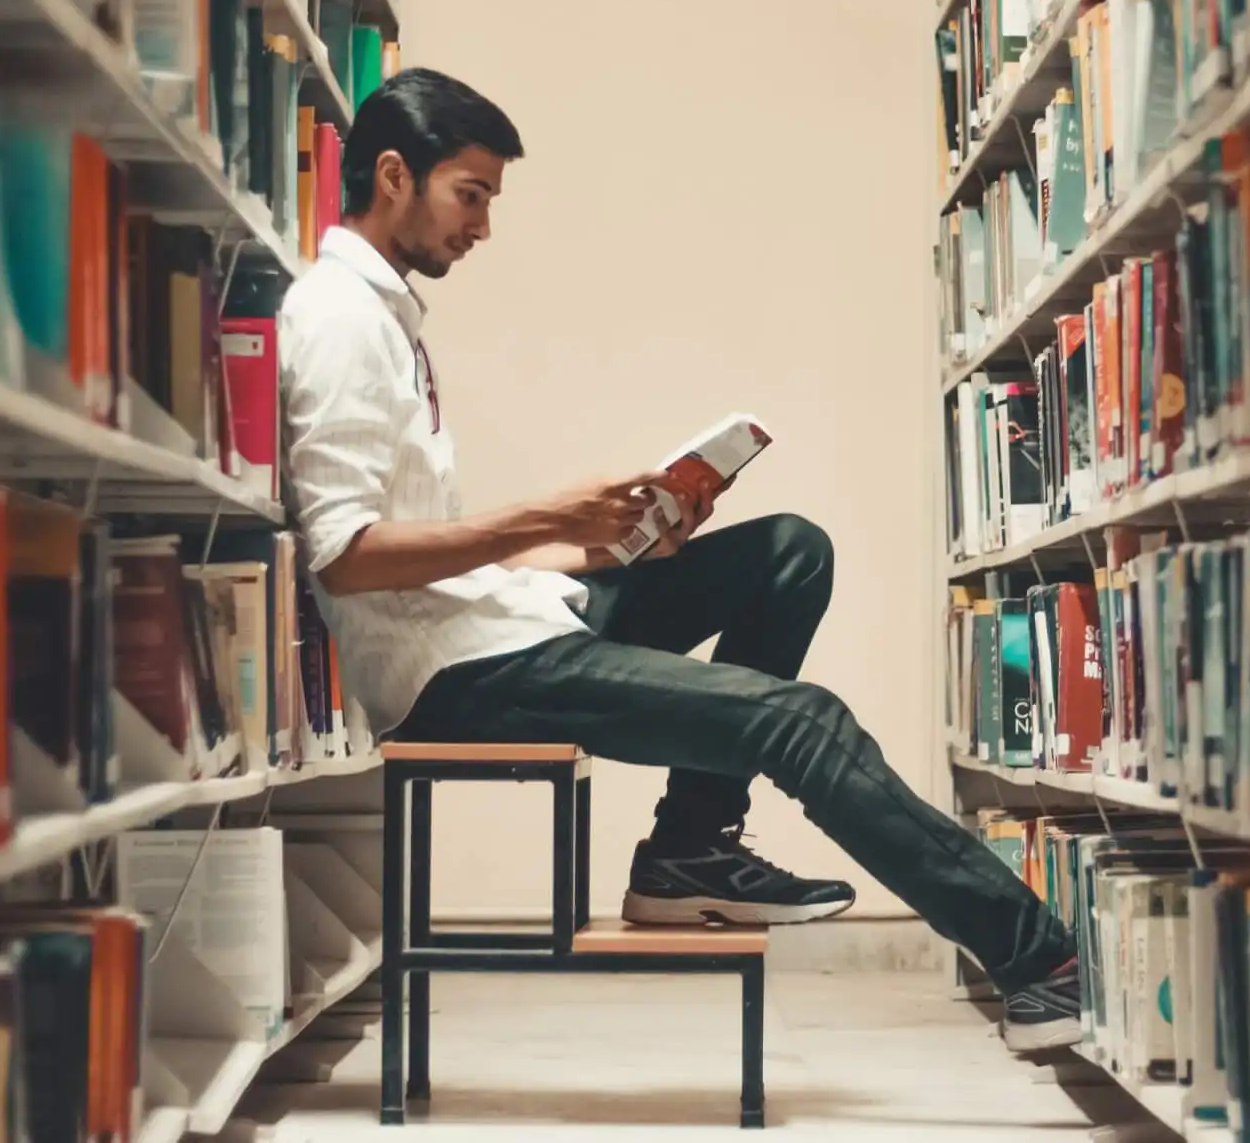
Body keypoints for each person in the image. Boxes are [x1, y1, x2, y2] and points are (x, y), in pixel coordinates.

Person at [277, 68, 1083, 1051]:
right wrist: (542, 512)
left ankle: (687, 850)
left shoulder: (387, 315)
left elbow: (433, 546)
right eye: (471, 194)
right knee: (799, 721)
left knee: (787, 554)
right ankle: (1039, 959)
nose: (482, 225)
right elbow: (348, 557)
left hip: (499, 620)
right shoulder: (335, 320)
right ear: (393, 175)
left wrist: (606, 540)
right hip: (454, 675)